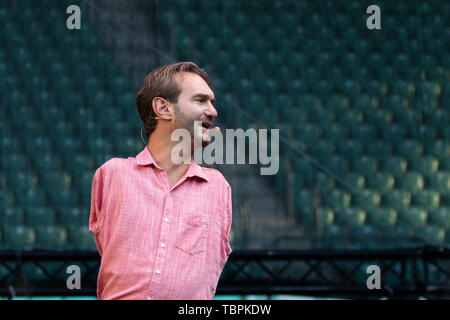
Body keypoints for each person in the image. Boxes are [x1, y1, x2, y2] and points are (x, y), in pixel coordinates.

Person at [89, 62, 232, 300]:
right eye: (200, 100)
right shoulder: (112, 175)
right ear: (163, 108)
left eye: (212, 102)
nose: (213, 111)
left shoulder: (218, 188)